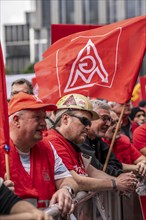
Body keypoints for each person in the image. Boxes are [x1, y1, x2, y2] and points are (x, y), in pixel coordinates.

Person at [0, 92, 78, 217]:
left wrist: (66, 189)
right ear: (16, 120)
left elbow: (67, 179)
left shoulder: (46, 146)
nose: (44, 124)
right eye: (37, 118)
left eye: (44, 118)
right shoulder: (2, 150)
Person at [46, 93, 138, 194]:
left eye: (89, 123)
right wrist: (115, 183)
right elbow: (75, 180)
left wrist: (120, 182)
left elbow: (94, 172)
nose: (88, 127)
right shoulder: (53, 141)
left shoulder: (72, 144)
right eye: (85, 121)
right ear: (65, 119)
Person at [79, 99, 123, 177]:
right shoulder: (80, 140)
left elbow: (118, 166)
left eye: (110, 120)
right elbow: (97, 169)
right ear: (90, 118)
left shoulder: (98, 140)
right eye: (104, 118)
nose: (108, 124)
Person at [104, 110, 146, 177]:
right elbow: (112, 166)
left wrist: (142, 164)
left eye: (118, 121)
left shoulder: (124, 139)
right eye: (112, 123)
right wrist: (136, 168)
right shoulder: (99, 144)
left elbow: (142, 159)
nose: (117, 126)